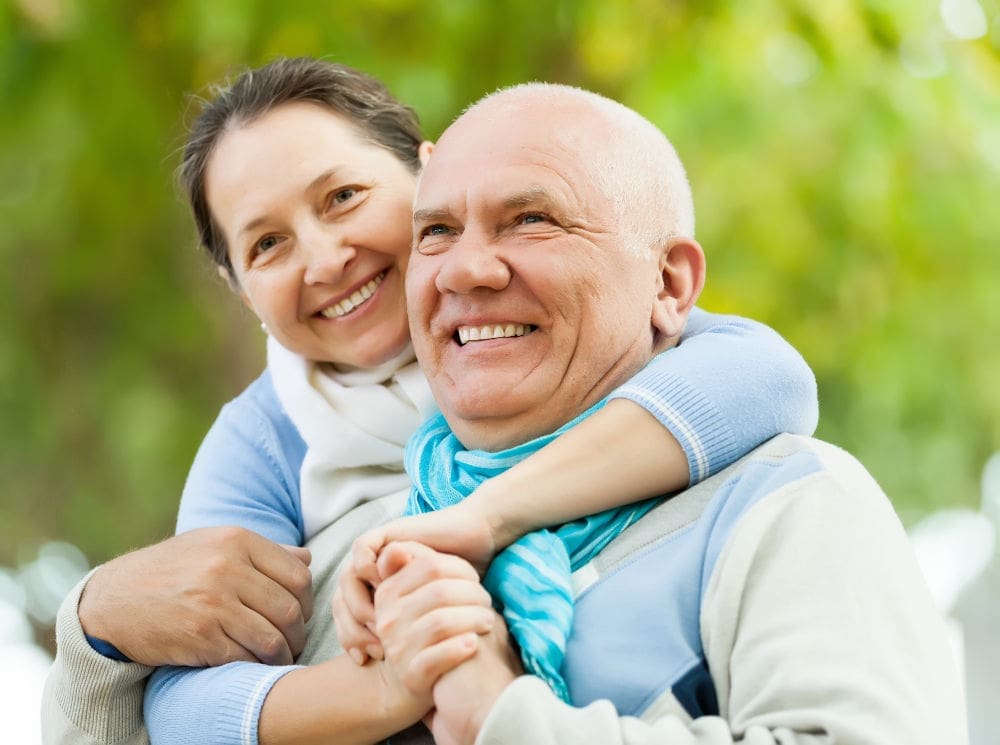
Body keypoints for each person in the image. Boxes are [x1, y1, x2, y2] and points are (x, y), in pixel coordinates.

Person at [41, 59, 817, 745]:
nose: (325, 259)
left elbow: (765, 379)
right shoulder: (263, 438)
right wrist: (394, 686)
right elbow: (186, 703)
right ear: (238, 288)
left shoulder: (588, 330)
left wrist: (482, 516)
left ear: (431, 170)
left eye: (343, 196)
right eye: (266, 245)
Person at [351, 82, 968, 745]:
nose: (464, 269)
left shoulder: (785, 504)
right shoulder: (360, 542)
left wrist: (505, 719)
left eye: (532, 219)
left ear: (669, 284)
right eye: (437, 231)